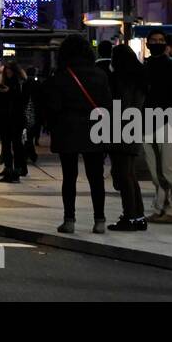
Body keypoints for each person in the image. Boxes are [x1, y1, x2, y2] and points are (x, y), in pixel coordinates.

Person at [44, 35, 111, 233]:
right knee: (96, 177)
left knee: (69, 177)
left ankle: (69, 220)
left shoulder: (61, 76)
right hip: (94, 130)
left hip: (68, 130)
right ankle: (99, 220)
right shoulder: (100, 75)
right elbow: (107, 104)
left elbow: (53, 106)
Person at [141, 29, 172, 225]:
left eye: (160, 40)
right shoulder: (146, 66)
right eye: (153, 40)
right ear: (148, 43)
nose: (156, 43)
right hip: (148, 121)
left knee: (169, 167)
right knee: (155, 168)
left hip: (167, 121)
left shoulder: (171, 67)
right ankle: (160, 207)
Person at [107, 44, 148, 231]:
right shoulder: (139, 78)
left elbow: (120, 105)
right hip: (135, 127)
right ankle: (138, 215)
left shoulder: (119, 79)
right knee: (130, 174)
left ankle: (129, 215)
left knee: (123, 175)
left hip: (121, 129)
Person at [0, 62, 26, 182]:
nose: (7, 72)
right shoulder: (5, 84)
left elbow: (22, 102)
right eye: (6, 70)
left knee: (16, 146)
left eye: (9, 70)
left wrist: (9, 92)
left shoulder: (20, 85)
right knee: (7, 146)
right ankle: (9, 170)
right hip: (5, 121)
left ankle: (15, 172)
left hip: (15, 121)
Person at [22, 66, 44, 163]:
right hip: (34, 113)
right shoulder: (37, 83)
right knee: (29, 136)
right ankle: (31, 154)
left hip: (26, 113)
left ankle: (29, 154)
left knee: (27, 137)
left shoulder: (24, 83)